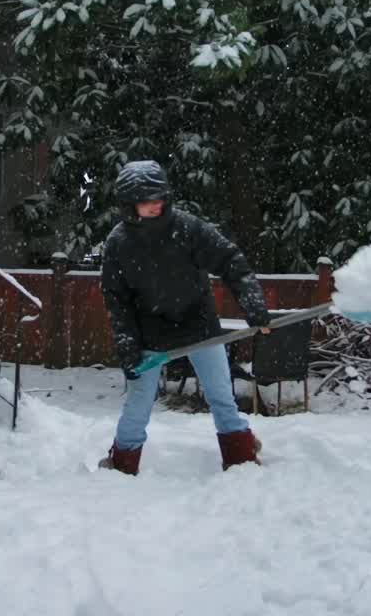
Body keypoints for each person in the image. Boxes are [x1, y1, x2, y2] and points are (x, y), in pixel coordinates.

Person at [98, 160, 272, 475]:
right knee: (138, 404)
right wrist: (127, 342)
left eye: (158, 197)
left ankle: (241, 457)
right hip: (149, 333)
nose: (155, 205)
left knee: (220, 395)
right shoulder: (119, 244)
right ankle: (122, 466)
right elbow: (117, 300)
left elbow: (230, 260)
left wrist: (253, 304)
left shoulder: (187, 228)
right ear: (128, 204)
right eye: (145, 200)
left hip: (199, 325)